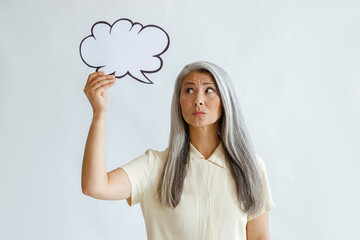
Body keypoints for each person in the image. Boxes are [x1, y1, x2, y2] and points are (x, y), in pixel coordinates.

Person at [82, 61, 275, 240]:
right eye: (189, 90)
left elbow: (259, 238)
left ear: (225, 100)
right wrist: (99, 113)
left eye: (209, 90)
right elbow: (95, 186)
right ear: (179, 101)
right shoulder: (155, 166)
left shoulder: (250, 166)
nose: (198, 100)